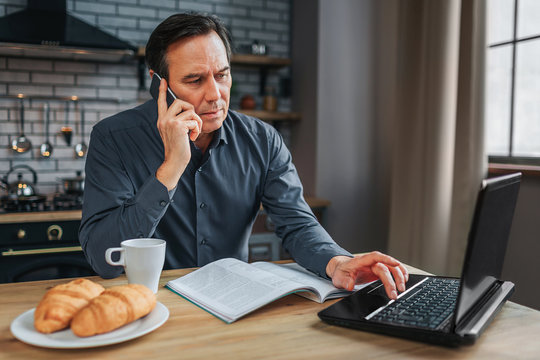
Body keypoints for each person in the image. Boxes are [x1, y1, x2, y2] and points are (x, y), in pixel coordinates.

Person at [79, 13, 408, 300]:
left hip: (233, 304)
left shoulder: (262, 140)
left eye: (221, 75)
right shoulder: (113, 139)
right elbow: (103, 258)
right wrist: (171, 168)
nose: (215, 95)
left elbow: (296, 223)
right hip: (149, 307)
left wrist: (338, 263)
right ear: (158, 85)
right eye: (194, 80)